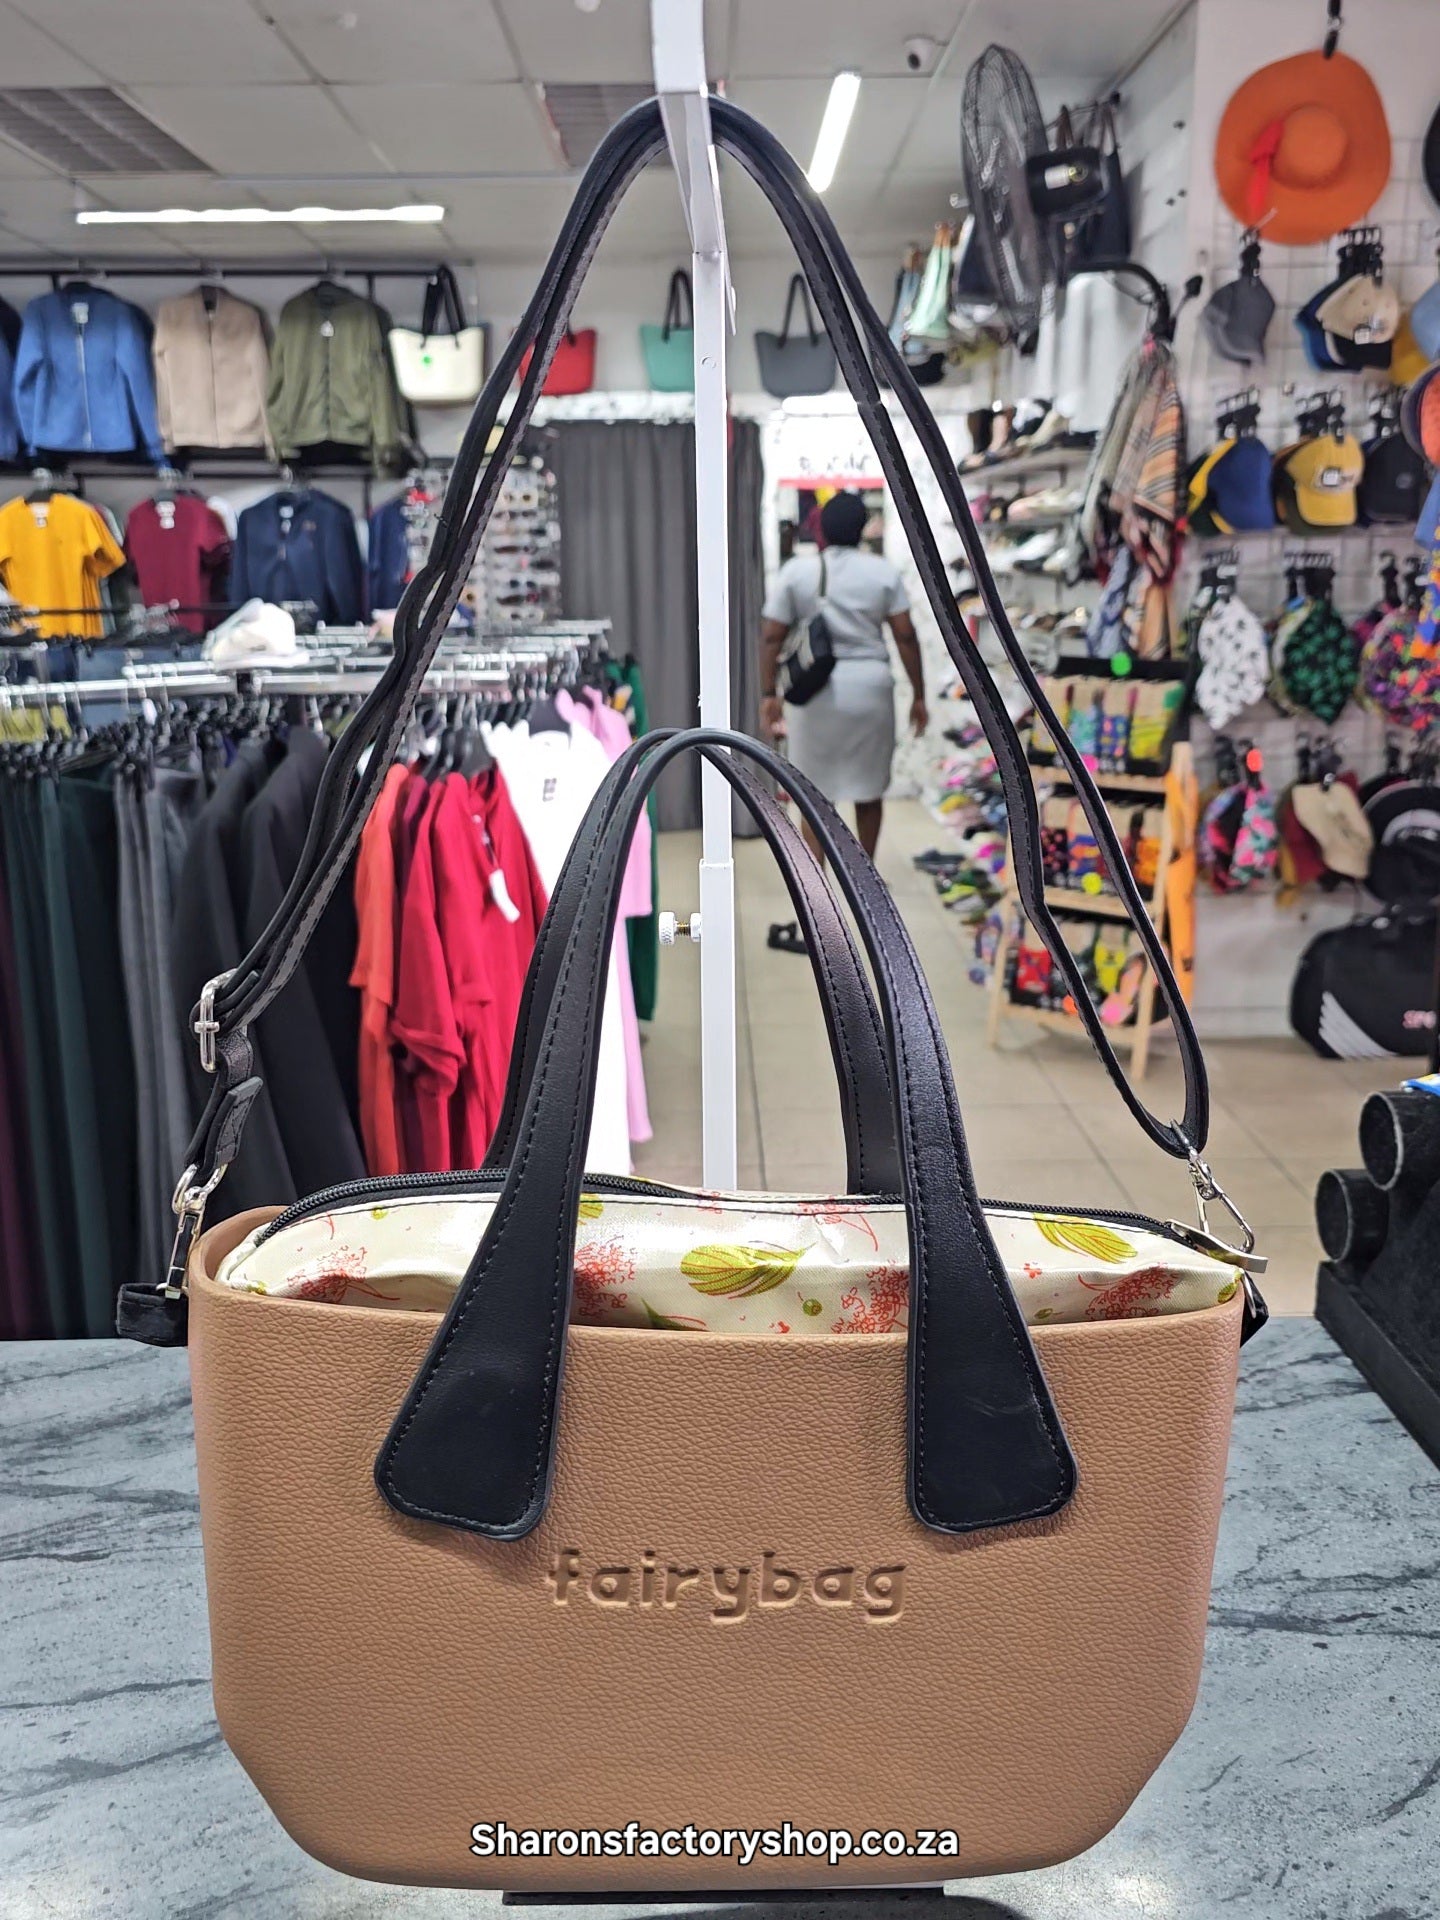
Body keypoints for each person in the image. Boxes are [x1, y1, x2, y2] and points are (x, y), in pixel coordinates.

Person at [759, 491, 926, 864]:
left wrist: (769, 693)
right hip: (870, 691)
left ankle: (817, 888)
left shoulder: (797, 572)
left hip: (814, 692)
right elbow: (905, 636)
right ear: (863, 527)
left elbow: (771, 636)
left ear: (821, 528)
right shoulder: (882, 572)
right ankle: (865, 880)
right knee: (869, 792)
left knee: (813, 795)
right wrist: (919, 694)